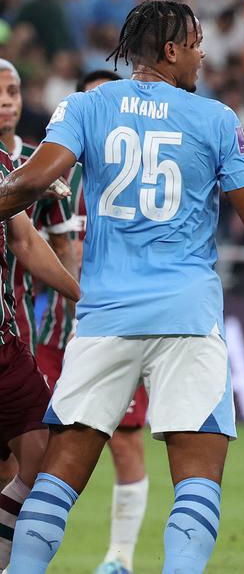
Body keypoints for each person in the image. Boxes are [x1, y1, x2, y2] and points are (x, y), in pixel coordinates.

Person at [0, 0, 244, 574]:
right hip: (187, 317)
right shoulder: (216, 118)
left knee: (58, 478)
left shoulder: (85, 106)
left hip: (105, 317)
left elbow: (31, 181)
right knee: (197, 479)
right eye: (197, 44)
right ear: (171, 50)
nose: (203, 56)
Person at [30, 68, 154, 574]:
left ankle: (119, 559)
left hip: (118, 329)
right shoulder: (51, 173)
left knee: (124, 442)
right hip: (53, 335)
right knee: (29, 448)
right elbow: (21, 244)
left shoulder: (143, 176)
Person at [0, 66, 83, 572]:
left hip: (6, 344)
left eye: (12, 91)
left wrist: (81, 296)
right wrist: (31, 188)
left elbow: (26, 241)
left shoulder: (13, 164)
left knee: (40, 456)